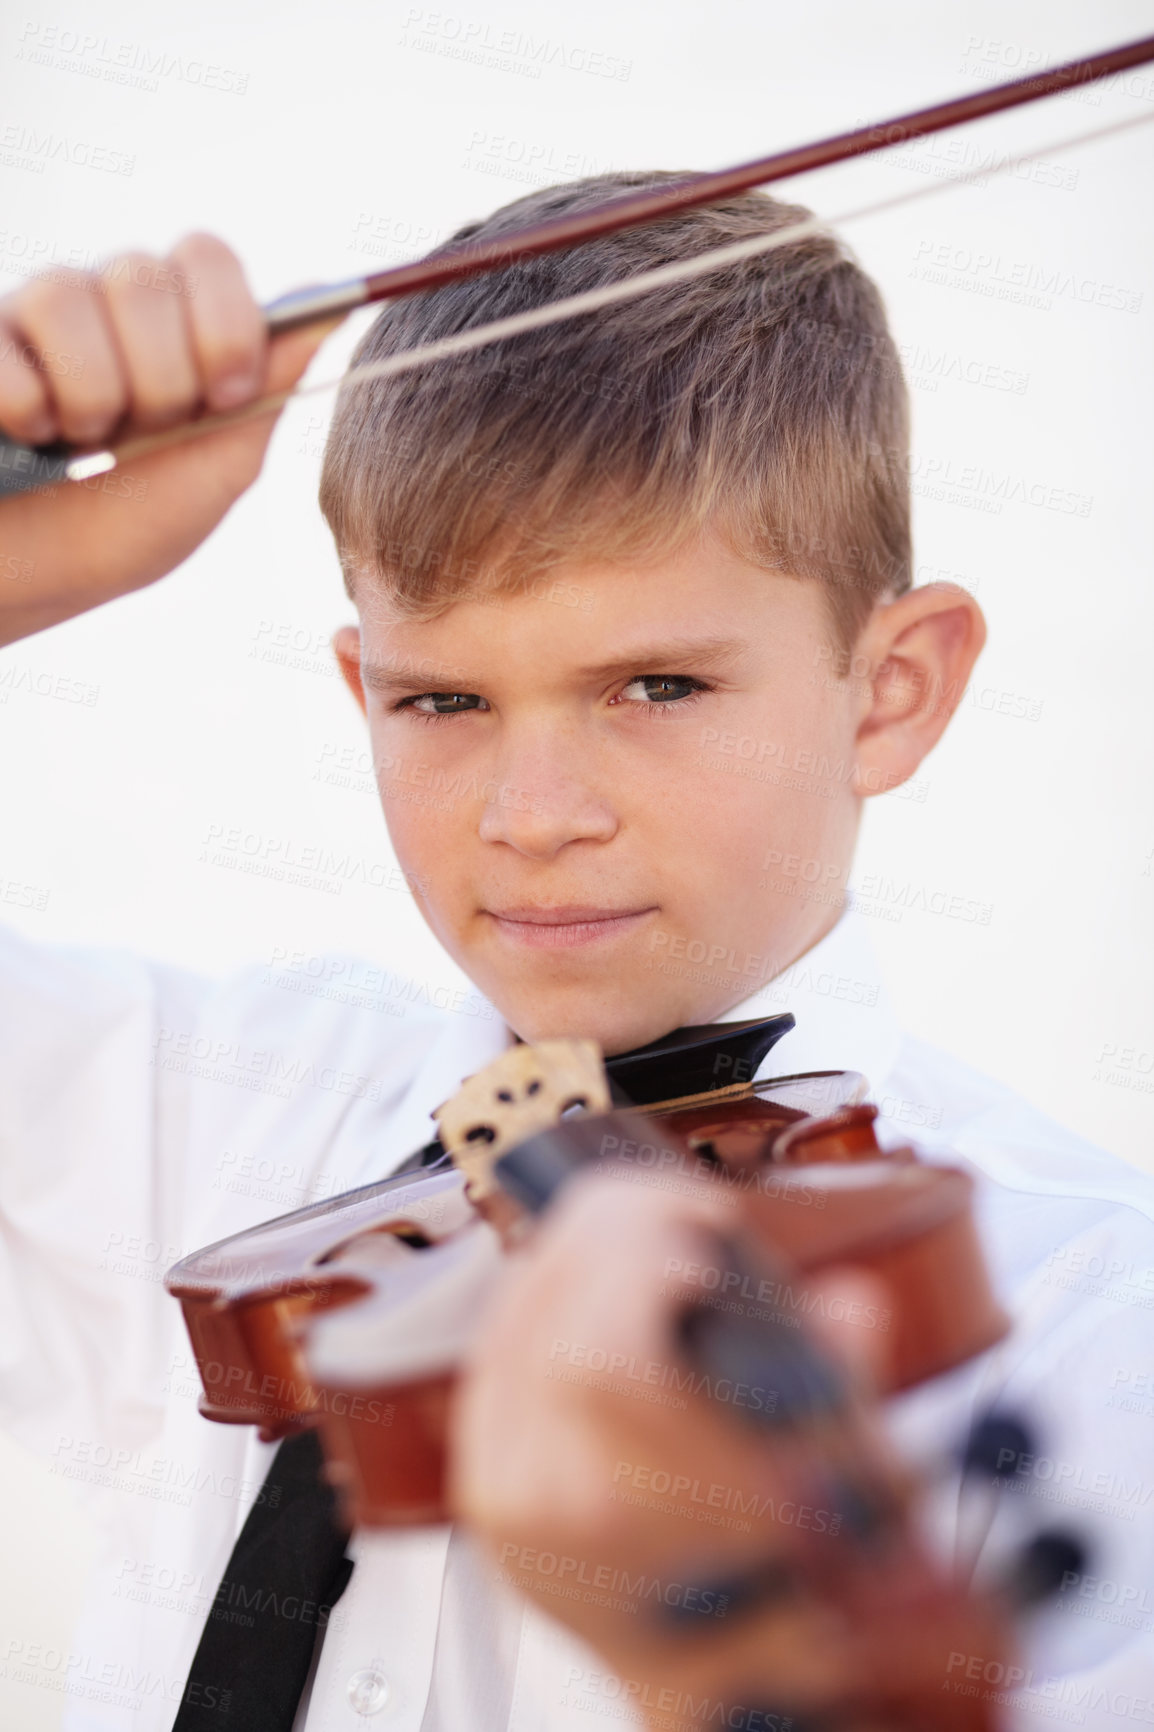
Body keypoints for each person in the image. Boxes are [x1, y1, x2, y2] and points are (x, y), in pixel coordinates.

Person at [0, 176, 1149, 1732]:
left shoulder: (1089, 1319)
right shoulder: (201, 1119)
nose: (531, 820)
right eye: (442, 703)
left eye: (657, 686)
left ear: (890, 691)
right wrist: (39, 566)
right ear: (358, 690)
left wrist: (724, 1658)